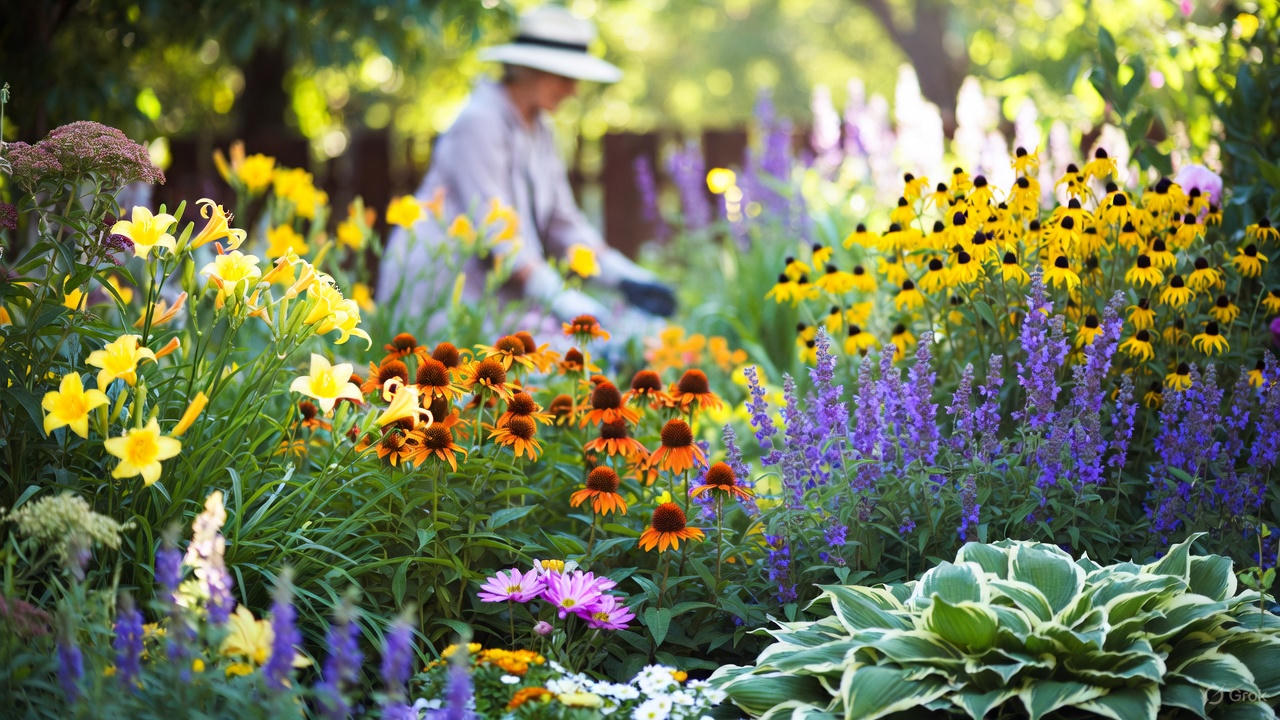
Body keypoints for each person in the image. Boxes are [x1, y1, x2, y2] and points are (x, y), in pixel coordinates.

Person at [377, 4, 676, 331]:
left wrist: (628, 279)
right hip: (439, 294)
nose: (573, 90)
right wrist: (566, 301)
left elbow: (565, 224)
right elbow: (496, 233)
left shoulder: (541, 131)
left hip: (494, 301)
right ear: (525, 69)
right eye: (564, 77)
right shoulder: (479, 123)